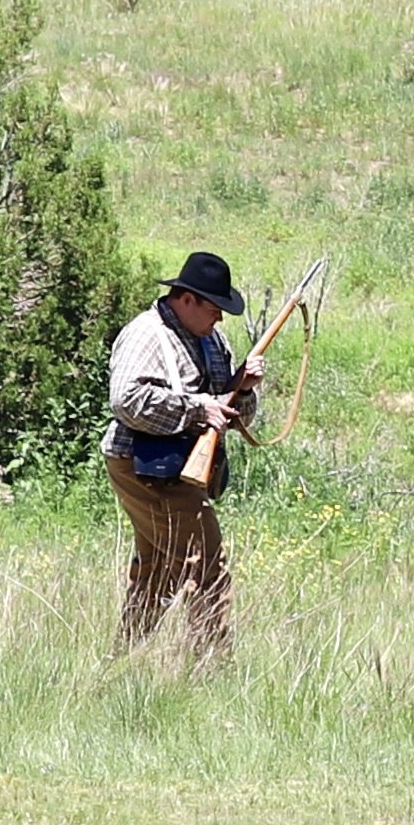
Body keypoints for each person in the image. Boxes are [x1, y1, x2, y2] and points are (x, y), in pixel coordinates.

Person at [100, 251, 266, 655]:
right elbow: (126, 399)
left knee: (157, 571)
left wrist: (241, 388)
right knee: (206, 567)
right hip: (145, 465)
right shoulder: (147, 334)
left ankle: (123, 664)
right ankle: (213, 673)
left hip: (177, 468)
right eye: (214, 307)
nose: (220, 318)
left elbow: (230, 411)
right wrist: (197, 407)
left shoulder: (212, 340)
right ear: (187, 299)